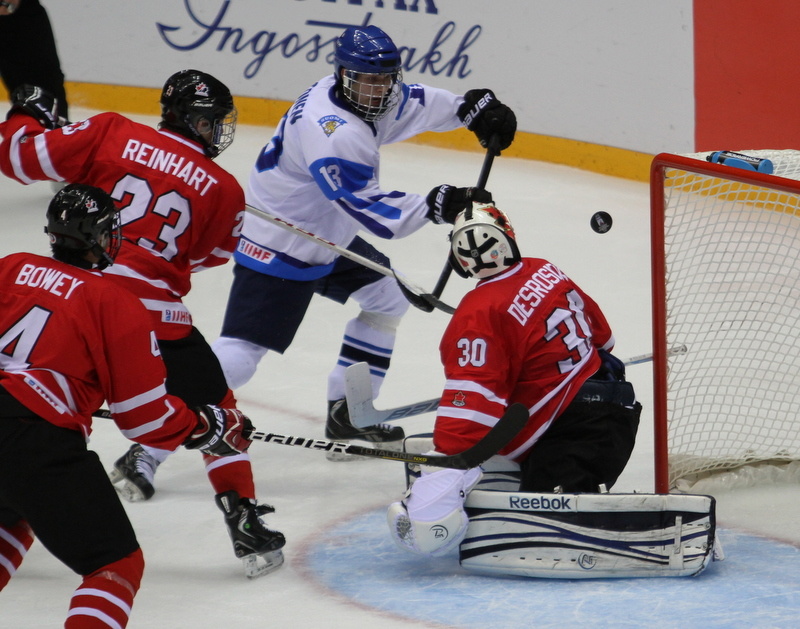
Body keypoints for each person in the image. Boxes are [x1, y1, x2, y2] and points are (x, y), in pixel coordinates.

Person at [0, 69, 285, 578]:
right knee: (219, 414)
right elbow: (208, 256)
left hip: (70, 298)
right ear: (193, 120)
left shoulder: (109, 131)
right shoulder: (222, 186)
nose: (217, 129)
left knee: (32, 385)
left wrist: (30, 111)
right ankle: (243, 518)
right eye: (212, 121)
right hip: (156, 314)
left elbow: (16, 155)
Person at [211, 25, 517, 451]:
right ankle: (158, 429)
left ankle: (350, 414)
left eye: (386, 78)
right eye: (369, 80)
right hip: (284, 241)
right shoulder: (334, 134)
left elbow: (413, 102)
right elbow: (370, 210)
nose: (380, 89)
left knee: (388, 297)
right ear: (344, 74)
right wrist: (440, 203)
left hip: (326, 234)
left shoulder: (355, 96)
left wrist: (469, 109)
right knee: (243, 353)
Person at [0, 184, 252, 627]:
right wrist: (205, 425)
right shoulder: (115, 302)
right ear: (98, 237)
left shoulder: (10, 267)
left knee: (11, 521)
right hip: (33, 439)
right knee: (114, 566)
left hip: (18, 429)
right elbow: (143, 417)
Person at [387, 203, 642, 557]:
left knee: (541, 523)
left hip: (574, 435)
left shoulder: (478, 313)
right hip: (612, 409)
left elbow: (471, 402)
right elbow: (605, 339)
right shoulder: (544, 269)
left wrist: (443, 472)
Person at [0, 0, 69, 123]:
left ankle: (52, 132)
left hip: (20, 13)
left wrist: (8, 5)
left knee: (41, 81)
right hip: (12, 14)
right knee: (19, 84)